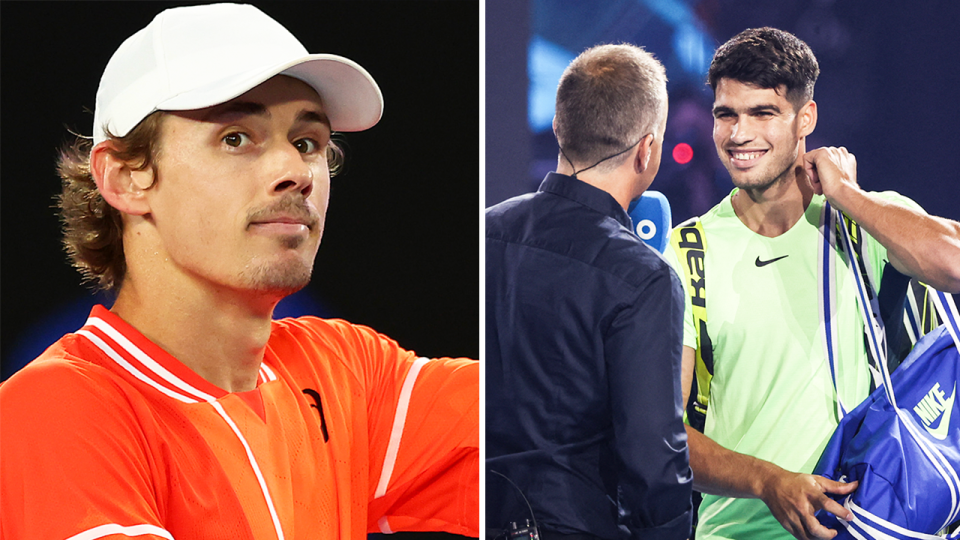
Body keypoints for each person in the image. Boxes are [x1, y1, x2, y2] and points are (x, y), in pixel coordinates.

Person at [0, 4, 479, 540]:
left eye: (308, 143)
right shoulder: (56, 411)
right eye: (236, 138)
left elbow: (555, 415)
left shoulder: (346, 370)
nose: (295, 172)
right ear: (126, 178)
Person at [666, 27, 960, 540]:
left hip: (870, 523)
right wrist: (767, 481)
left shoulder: (862, 220)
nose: (738, 134)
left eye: (763, 113)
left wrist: (848, 195)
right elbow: (663, 433)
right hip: (738, 533)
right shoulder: (687, 249)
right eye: (726, 114)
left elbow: (953, 263)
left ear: (807, 119)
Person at [486, 43, 693, 540]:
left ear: (560, 128)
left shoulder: (485, 231)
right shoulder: (644, 278)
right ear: (647, 149)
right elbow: (652, 457)